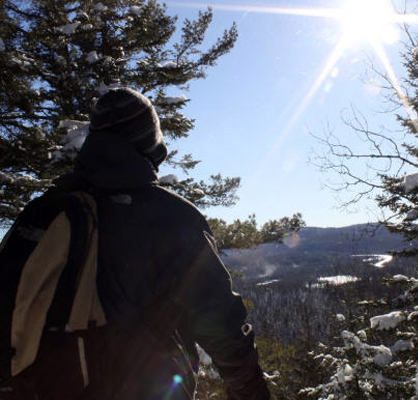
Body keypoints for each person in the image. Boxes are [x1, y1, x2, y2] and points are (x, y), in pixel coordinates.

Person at [5, 87, 270, 400]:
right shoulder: (170, 217)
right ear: (150, 139)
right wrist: (252, 392)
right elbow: (221, 326)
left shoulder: (44, 210)